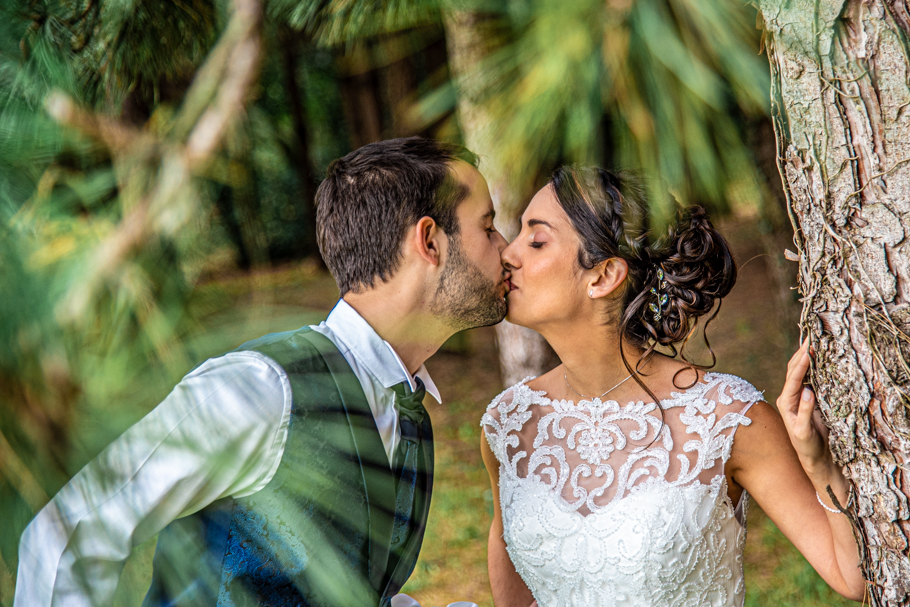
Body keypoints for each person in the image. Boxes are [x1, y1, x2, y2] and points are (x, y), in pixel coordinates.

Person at [14, 137, 510, 607]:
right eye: (487, 227)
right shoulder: (262, 388)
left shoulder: (408, 410)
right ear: (429, 241)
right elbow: (66, 535)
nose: (505, 247)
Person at [480, 166, 865, 607]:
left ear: (604, 277)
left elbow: (851, 578)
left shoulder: (727, 419)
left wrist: (820, 466)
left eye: (536, 240)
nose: (507, 255)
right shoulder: (508, 425)